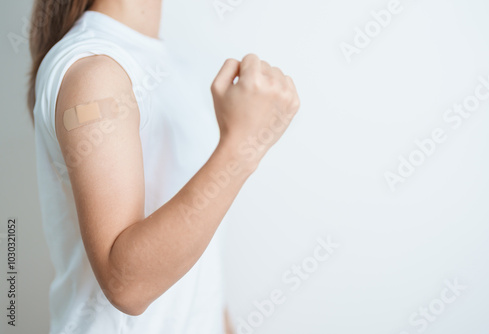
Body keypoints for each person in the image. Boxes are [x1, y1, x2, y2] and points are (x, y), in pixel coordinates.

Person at [28, 0, 300, 333]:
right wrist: (243, 147)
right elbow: (127, 285)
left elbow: (198, 268)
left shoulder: (173, 68)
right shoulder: (94, 72)